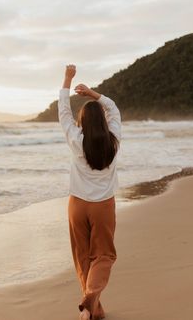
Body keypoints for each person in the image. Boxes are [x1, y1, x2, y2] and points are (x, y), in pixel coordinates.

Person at [58, 64, 121, 320]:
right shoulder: (114, 138)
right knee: (104, 255)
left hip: (77, 205)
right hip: (103, 205)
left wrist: (67, 79)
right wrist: (93, 94)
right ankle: (90, 300)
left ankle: (92, 310)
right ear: (103, 121)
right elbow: (114, 108)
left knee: (83, 256)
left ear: (82, 121)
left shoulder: (76, 139)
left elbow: (63, 112)